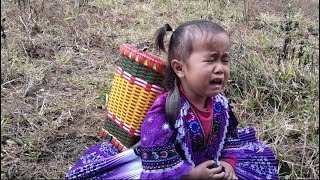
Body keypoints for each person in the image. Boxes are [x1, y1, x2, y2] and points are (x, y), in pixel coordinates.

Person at [65, 20, 279, 180]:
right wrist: (191, 176)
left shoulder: (221, 103)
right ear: (179, 68)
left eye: (225, 60)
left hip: (210, 168)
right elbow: (156, 160)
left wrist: (228, 163)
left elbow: (230, 135)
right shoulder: (166, 112)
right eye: (210, 60)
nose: (220, 68)